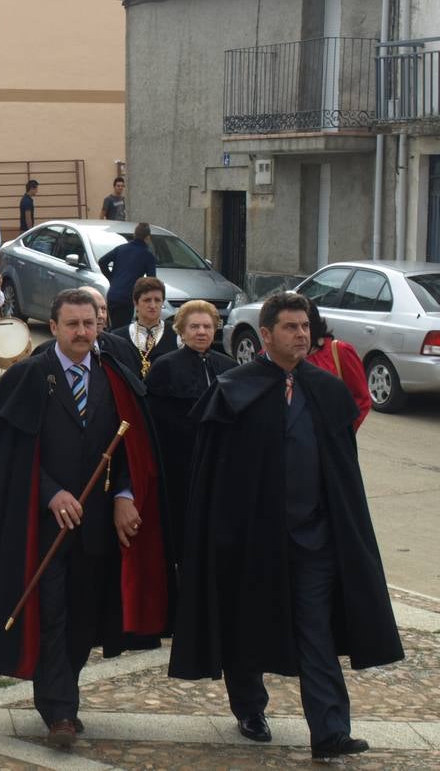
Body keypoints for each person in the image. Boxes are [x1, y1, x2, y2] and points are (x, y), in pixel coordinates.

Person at [170, 292, 403, 760]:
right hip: (251, 540)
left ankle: (331, 730)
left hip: (313, 539)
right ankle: (250, 708)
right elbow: (212, 474)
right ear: (267, 334)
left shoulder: (328, 390)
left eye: (306, 327)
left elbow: (342, 472)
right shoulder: (234, 389)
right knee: (246, 625)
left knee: (316, 632)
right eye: (292, 327)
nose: (302, 335)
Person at [0, 288, 166, 747]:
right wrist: (51, 494)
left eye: (89, 324)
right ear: (53, 327)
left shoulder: (115, 378)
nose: (82, 333)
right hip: (43, 528)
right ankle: (60, 713)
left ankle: (61, 693)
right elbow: (14, 458)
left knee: (84, 621)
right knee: (52, 615)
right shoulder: (31, 377)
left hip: (97, 530)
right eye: (72, 324)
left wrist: (126, 495)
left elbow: (133, 450)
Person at [144, 300, 234, 566]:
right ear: (181, 331)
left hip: (219, 464)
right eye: (194, 326)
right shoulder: (165, 366)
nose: (201, 332)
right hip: (179, 465)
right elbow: (154, 421)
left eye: (207, 326)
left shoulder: (229, 367)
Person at [304, 300, 372, 429]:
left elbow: (361, 398)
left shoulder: (339, 351)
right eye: (290, 326)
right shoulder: (274, 355)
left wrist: (343, 433)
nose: (299, 333)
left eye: (304, 325)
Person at [110, 276, 179, 378]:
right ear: (136, 303)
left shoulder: (177, 333)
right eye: (147, 300)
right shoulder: (117, 337)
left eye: (157, 300)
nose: (153, 305)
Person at [98, 222, 156, 329]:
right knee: (122, 332)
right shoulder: (147, 255)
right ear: (147, 237)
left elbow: (102, 261)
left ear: (134, 235)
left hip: (113, 295)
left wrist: (112, 279)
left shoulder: (121, 249)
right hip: (127, 298)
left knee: (113, 328)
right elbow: (151, 280)